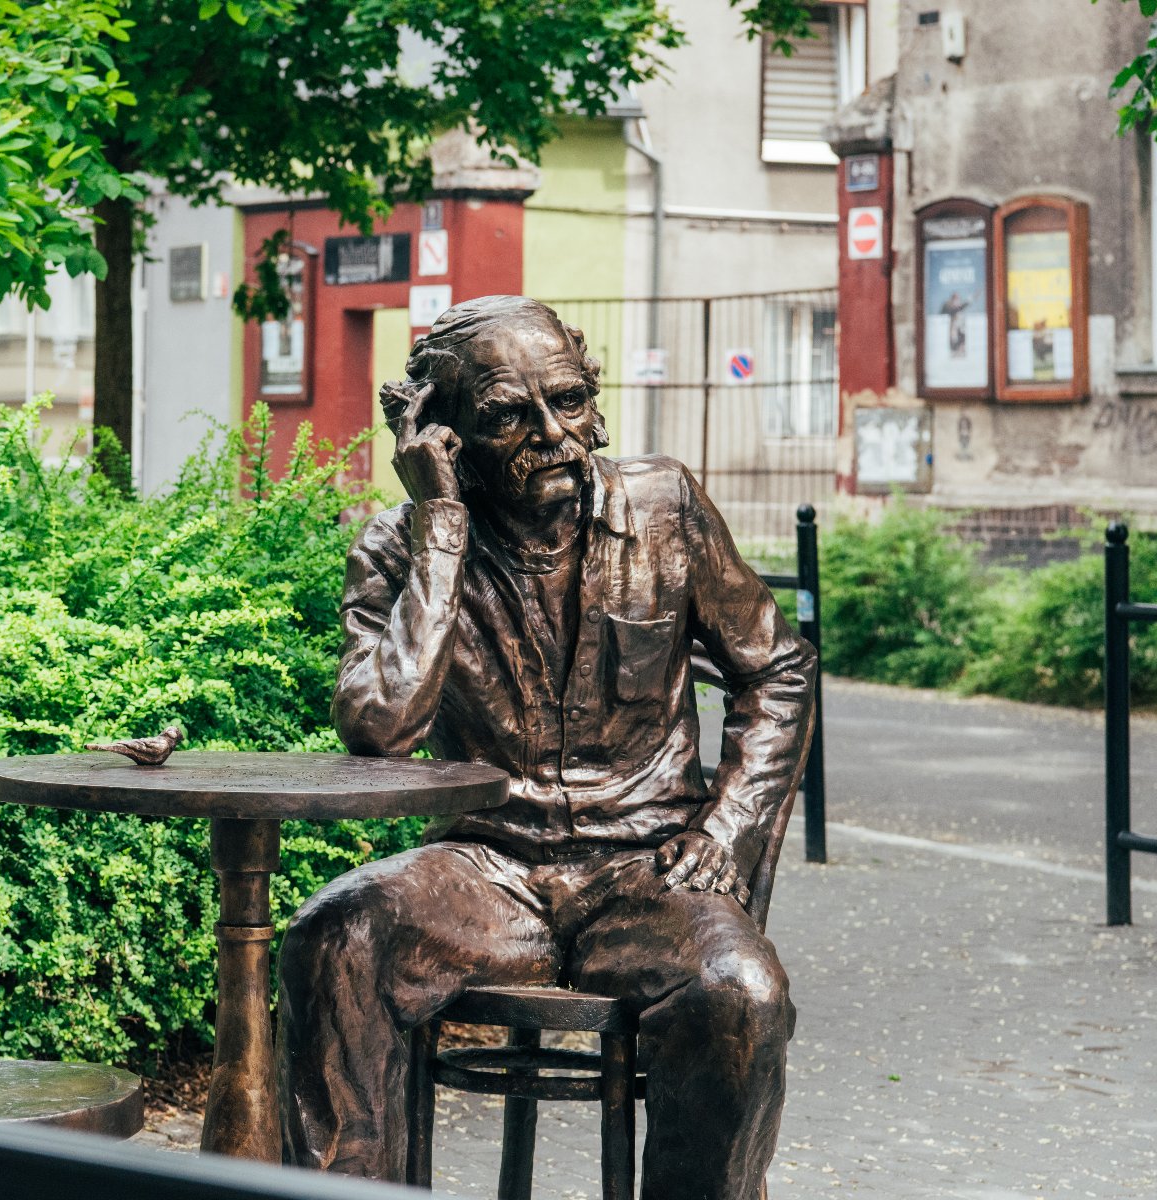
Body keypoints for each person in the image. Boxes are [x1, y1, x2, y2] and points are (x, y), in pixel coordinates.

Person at [278, 295, 816, 1199]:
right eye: (504, 416)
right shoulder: (395, 547)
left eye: (566, 401)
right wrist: (439, 536)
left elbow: (778, 671)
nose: (553, 434)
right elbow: (380, 726)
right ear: (439, 434)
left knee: (741, 993)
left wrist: (727, 833)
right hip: (486, 870)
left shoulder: (665, 508)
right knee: (334, 938)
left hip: (648, 872)